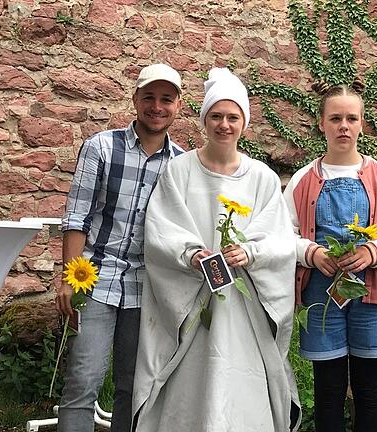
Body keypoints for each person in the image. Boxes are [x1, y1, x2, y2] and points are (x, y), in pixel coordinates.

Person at [132, 68, 300, 432]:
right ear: (204, 120)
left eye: (233, 117)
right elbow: (161, 229)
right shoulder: (179, 171)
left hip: (244, 306)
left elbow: (281, 241)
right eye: (216, 116)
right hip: (192, 299)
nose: (224, 125)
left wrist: (250, 254)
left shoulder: (263, 178)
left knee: (239, 377)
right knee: (191, 380)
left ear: (244, 123)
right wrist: (191, 254)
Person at [57, 63, 185, 432]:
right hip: (96, 277)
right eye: (149, 97)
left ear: (178, 106)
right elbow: (77, 216)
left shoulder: (181, 165)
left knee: (134, 386)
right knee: (83, 381)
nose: (156, 107)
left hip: (148, 287)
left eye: (166, 99)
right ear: (135, 100)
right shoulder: (101, 147)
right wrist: (69, 279)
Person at [283, 81, 377, 432]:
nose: (344, 125)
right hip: (319, 295)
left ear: (362, 123)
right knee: (328, 387)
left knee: (370, 387)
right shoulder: (301, 181)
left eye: (351, 118)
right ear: (321, 123)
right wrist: (310, 253)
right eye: (336, 118)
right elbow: (283, 235)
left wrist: (374, 250)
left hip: (373, 296)